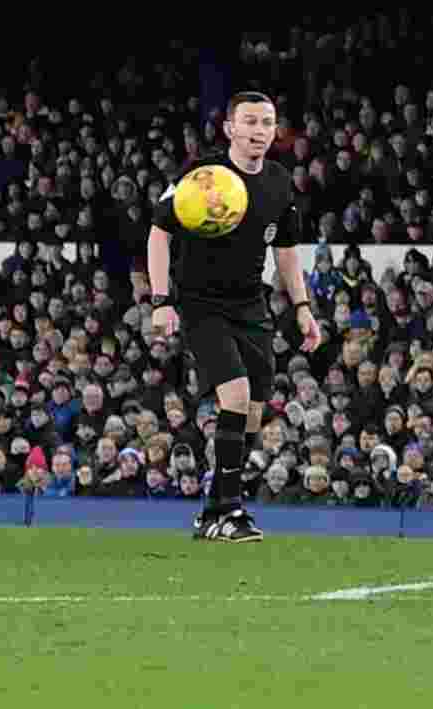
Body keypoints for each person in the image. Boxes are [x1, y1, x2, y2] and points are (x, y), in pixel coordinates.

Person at [148, 91, 319, 542]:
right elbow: (158, 234)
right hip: (201, 304)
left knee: (253, 413)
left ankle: (212, 512)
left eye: (267, 123)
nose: (259, 131)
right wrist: (161, 301)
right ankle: (230, 511)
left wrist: (302, 308)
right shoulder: (202, 176)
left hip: (251, 304)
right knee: (237, 395)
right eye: (250, 122)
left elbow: (285, 252)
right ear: (230, 128)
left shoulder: (280, 183)